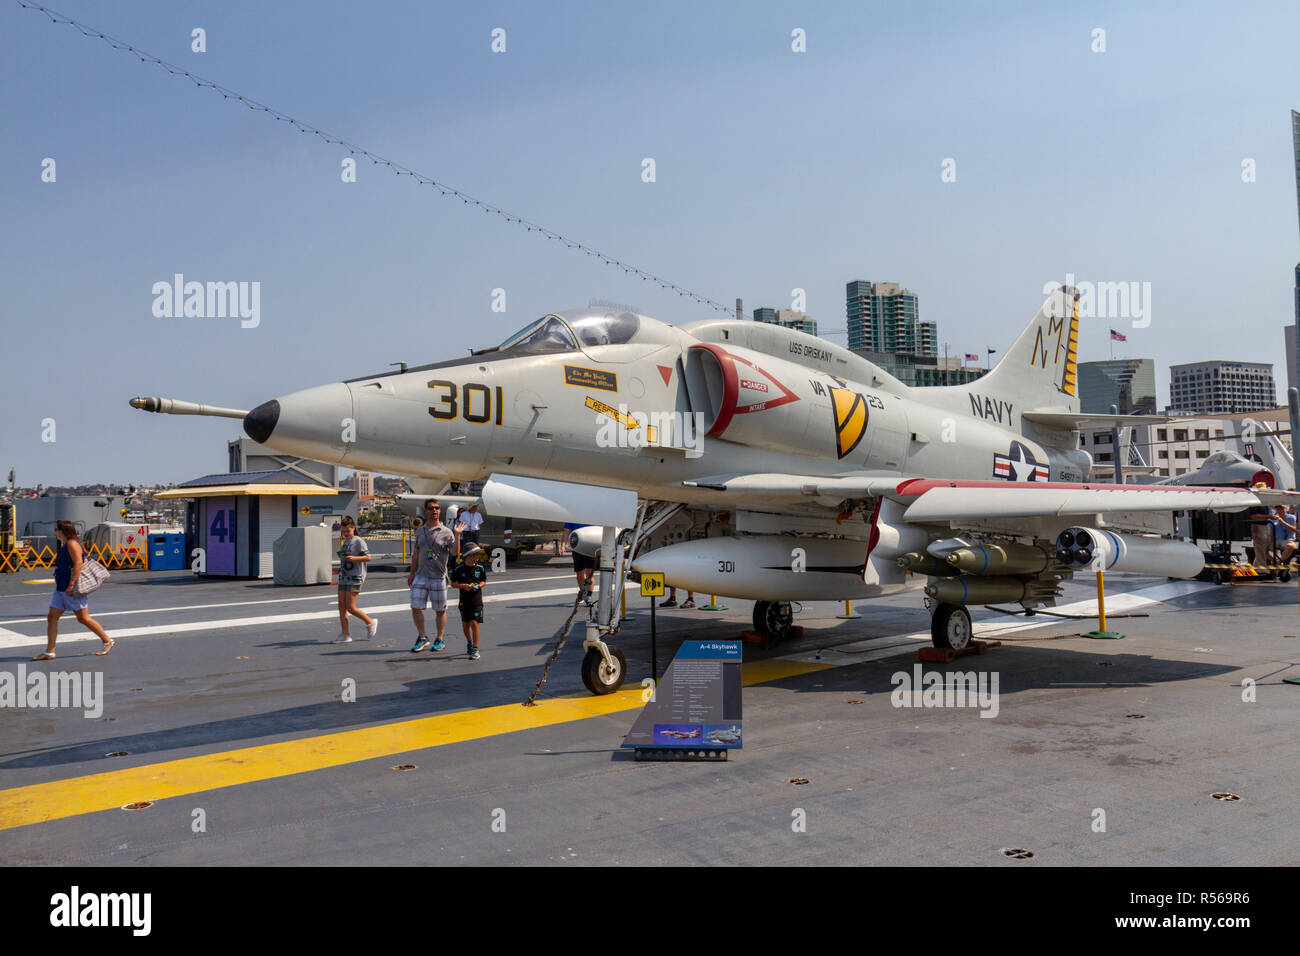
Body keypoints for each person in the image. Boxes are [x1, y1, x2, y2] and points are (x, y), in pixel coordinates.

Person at [34, 520, 114, 660]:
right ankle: (50, 651)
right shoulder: (66, 544)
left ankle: (107, 640)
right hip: (61, 588)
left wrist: (71, 585)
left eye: (56, 529)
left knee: (83, 618)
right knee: (52, 617)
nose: (55, 532)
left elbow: (78, 563)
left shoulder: (72, 544)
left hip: (70, 588)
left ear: (62, 531)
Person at [409, 499, 461, 652]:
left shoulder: (446, 532)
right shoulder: (419, 531)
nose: (435, 510)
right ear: (426, 511)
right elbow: (416, 554)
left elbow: (454, 552)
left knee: (440, 610)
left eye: (437, 508)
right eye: (431, 508)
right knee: (415, 606)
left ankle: (439, 638)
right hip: (421, 575)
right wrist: (412, 574)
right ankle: (422, 636)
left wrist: (457, 536)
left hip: (438, 576)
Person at [334, 515, 377, 643]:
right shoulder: (345, 542)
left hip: (355, 577)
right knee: (341, 606)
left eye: (348, 531)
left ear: (353, 528)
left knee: (351, 607)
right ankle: (345, 634)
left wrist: (354, 559)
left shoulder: (358, 541)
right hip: (344, 576)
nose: (346, 534)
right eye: (343, 531)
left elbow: (368, 557)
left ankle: (370, 622)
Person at [450, 543, 488, 660]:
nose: (477, 557)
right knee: (466, 624)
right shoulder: (458, 568)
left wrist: (478, 586)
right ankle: (469, 642)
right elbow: (452, 584)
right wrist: (462, 585)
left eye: (477, 554)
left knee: (474, 623)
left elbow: (484, 581)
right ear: (467, 556)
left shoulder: (480, 568)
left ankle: (475, 648)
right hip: (464, 601)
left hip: (476, 601)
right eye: (474, 554)